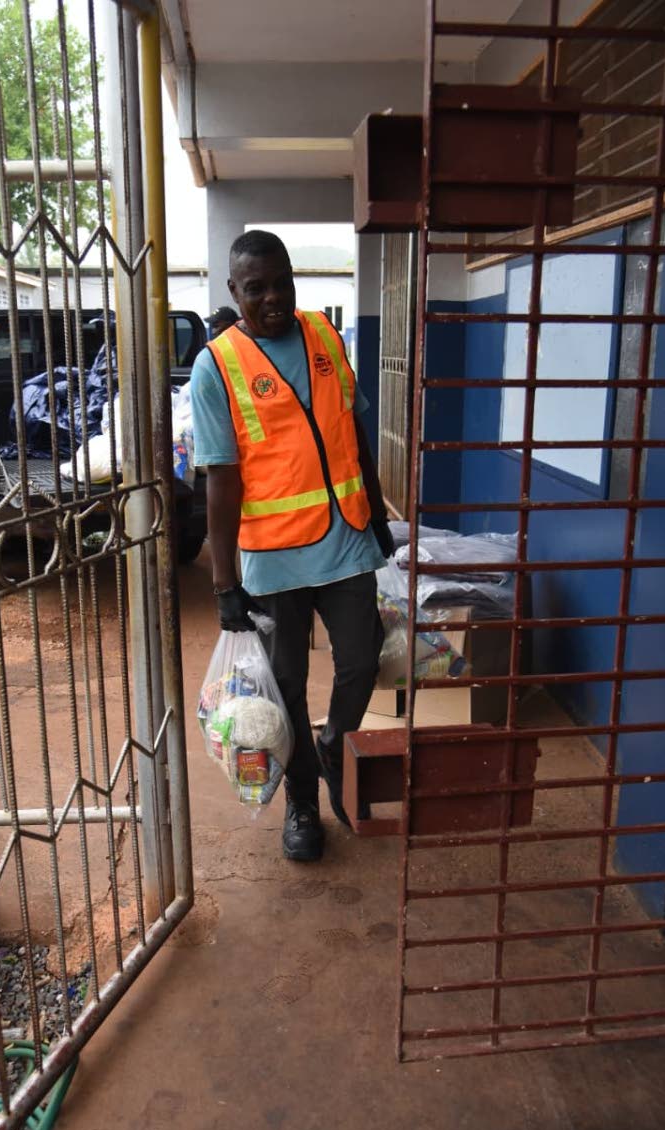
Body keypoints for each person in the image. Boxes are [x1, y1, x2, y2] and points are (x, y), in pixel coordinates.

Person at [191, 230, 393, 862]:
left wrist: (379, 516)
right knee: (284, 690)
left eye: (282, 282)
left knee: (361, 660)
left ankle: (336, 741)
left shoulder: (325, 337)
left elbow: (355, 432)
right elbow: (220, 483)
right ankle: (302, 802)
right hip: (273, 561)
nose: (273, 298)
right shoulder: (216, 365)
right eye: (256, 289)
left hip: (346, 538)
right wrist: (225, 586)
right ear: (234, 292)